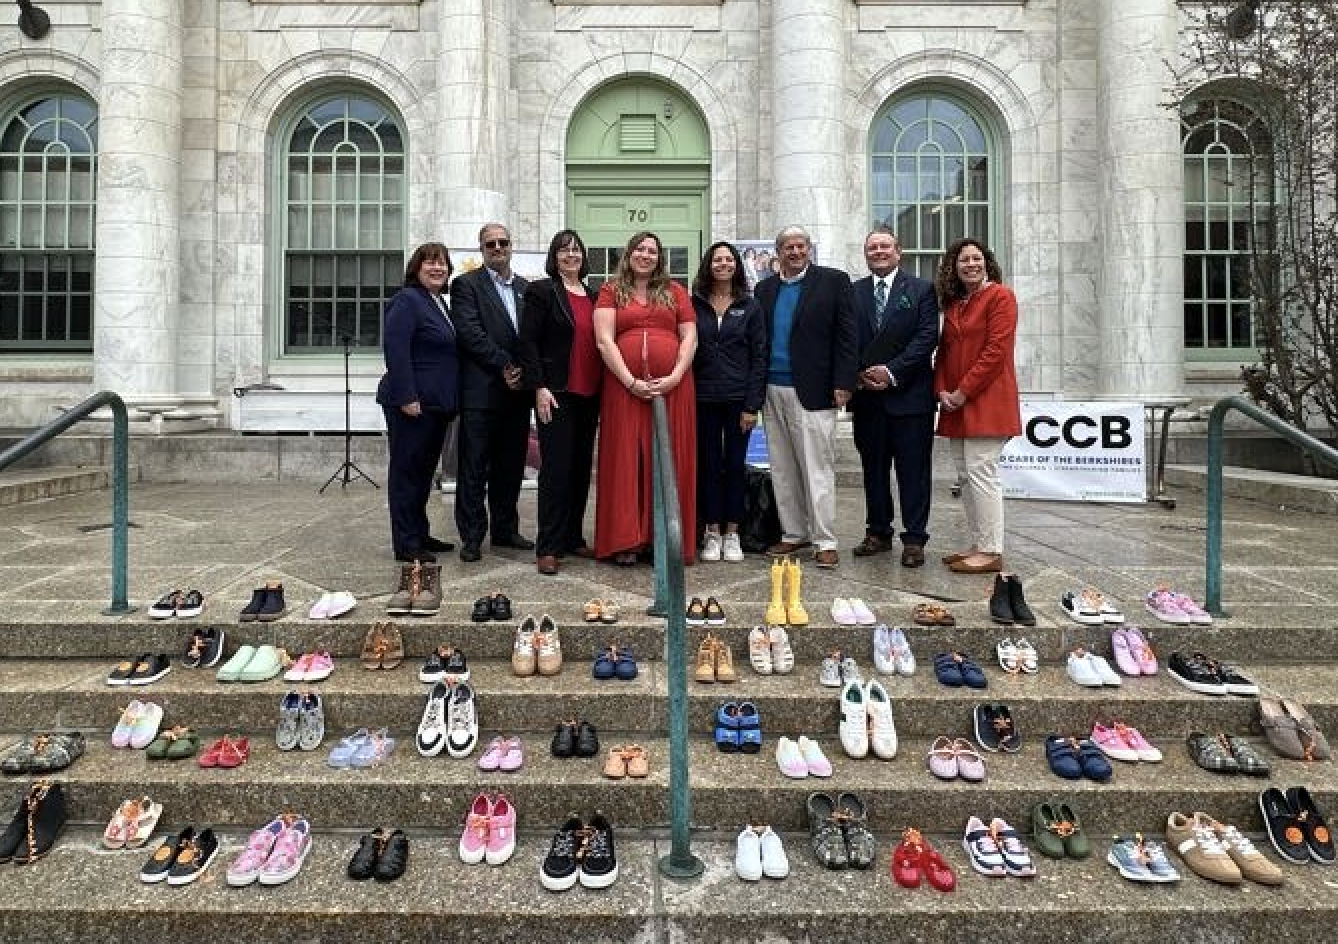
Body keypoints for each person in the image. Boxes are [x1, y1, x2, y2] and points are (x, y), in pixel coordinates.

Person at [753, 225, 857, 568]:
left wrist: (844, 382)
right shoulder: (765, 289)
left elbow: (847, 336)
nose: (795, 252)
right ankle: (793, 534)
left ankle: (824, 539)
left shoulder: (833, 281)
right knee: (782, 467)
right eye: (788, 247)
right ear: (778, 252)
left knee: (817, 468)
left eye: (801, 246)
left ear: (809, 249)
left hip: (814, 390)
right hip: (772, 388)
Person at [592, 231, 698, 566]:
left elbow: (690, 337)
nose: (646, 255)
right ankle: (626, 539)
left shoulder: (675, 291)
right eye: (640, 249)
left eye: (652, 251)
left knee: (669, 457)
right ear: (629, 253)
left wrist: (676, 375)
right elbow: (604, 341)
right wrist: (630, 380)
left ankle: (665, 539)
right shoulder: (611, 290)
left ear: (659, 258)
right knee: (625, 456)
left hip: (674, 388)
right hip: (623, 388)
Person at [849, 226, 940, 568]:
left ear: (898, 252)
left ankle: (914, 538)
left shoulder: (922, 290)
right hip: (867, 399)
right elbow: (846, 339)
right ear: (866, 254)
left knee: (913, 472)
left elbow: (926, 337)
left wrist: (890, 372)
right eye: (872, 247)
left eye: (885, 246)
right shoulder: (853, 292)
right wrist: (858, 374)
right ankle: (878, 532)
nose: (878, 252)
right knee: (873, 470)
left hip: (910, 397)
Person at [933, 237, 1021, 574]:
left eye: (976, 258)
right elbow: (944, 353)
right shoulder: (955, 304)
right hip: (955, 403)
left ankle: (991, 550)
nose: (971, 264)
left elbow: (996, 351)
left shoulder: (1001, 297)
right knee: (966, 475)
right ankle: (978, 543)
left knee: (982, 472)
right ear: (953, 268)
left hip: (986, 400)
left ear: (987, 262)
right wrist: (942, 389)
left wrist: (963, 391)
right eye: (963, 260)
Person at [517, 229, 601, 576]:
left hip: (591, 393)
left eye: (576, 250)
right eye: (564, 251)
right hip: (557, 393)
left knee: (581, 469)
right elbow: (528, 342)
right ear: (555, 257)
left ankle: (571, 536)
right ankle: (548, 546)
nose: (571, 256)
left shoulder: (595, 296)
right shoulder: (542, 291)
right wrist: (538, 387)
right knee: (556, 470)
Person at [450, 223, 533, 562]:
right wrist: (504, 366)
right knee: (474, 467)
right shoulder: (466, 286)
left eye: (503, 242)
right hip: (482, 393)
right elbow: (470, 333)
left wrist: (525, 371)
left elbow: (531, 338)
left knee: (510, 466)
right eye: (490, 244)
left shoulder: (527, 289)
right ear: (481, 249)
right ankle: (471, 536)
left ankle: (505, 529)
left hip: (517, 394)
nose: (498, 248)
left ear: (512, 246)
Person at [376, 243, 460, 563]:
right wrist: (407, 396)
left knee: (423, 474)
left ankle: (420, 533)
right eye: (431, 263)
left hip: (435, 406)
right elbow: (395, 350)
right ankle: (407, 543)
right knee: (406, 474)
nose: (438, 269)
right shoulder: (407, 300)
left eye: (443, 264)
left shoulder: (438, 303)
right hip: (411, 404)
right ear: (416, 268)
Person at [691, 241, 766, 563]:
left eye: (728, 259)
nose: (723, 264)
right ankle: (711, 532)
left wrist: (752, 406)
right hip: (703, 398)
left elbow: (759, 356)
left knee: (734, 466)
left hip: (738, 399)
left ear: (736, 264)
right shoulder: (694, 305)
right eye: (717, 259)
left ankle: (732, 532)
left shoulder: (750, 306)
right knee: (708, 466)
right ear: (709, 265)